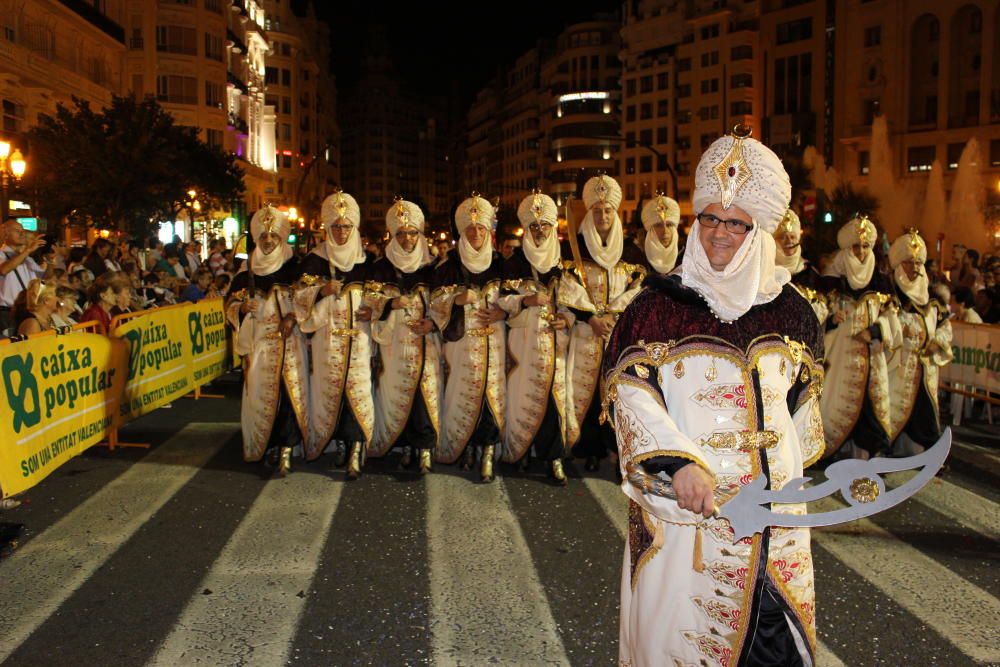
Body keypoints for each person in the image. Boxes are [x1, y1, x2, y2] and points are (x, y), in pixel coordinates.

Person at [602, 128, 825, 667]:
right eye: (708, 218)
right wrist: (678, 463)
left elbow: (802, 409)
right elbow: (628, 397)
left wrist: (785, 467)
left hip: (777, 530)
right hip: (689, 530)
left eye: (736, 222)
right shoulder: (654, 308)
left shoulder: (793, 311)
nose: (719, 233)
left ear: (760, 231)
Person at [558, 175, 647, 472]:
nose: (603, 216)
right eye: (597, 211)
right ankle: (587, 448)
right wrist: (590, 317)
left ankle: (615, 447)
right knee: (583, 391)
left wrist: (612, 315)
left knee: (616, 392)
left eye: (608, 210)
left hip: (617, 333)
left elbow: (637, 289)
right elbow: (567, 288)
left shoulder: (631, 251)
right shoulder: (575, 248)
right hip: (586, 332)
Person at [294, 191, 375, 479]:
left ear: (355, 228)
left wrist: (374, 311)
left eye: (346, 227)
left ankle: (356, 447)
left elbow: (382, 298)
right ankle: (338, 443)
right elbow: (299, 298)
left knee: (358, 392)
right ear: (327, 229)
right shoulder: (314, 262)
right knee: (332, 393)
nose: (341, 232)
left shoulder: (367, 262)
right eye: (336, 227)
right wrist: (320, 291)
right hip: (327, 343)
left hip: (359, 343)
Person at [225, 207, 308, 476]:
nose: (269, 241)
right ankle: (267, 444)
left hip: (290, 346)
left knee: (288, 395)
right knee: (262, 396)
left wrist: (293, 317)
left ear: (282, 238)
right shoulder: (246, 271)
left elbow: (309, 301)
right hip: (259, 348)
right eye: (263, 237)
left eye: (273, 235)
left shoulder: (296, 268)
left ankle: (287, 449)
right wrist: (241, 308)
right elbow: (229, 306)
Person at [430, 194, 507, 482]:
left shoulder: (502, 264)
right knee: (463, 395)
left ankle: (487, 450)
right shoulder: (447, 267)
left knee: (491, 397)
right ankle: (465, 447)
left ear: (489, 231)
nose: (476, 234)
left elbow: (516, 301)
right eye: (470, 229)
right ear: (461, 232)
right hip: (462, 347)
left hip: (495, 345)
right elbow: (435, 304)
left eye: (481, 229)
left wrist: (502, 313)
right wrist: (456, 299)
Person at [499, 192, 571, 484]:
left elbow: (575, 303)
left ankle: (553, 458)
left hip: (554, 344)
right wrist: (525, 301)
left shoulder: (564, 263)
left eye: (545, 226)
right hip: (523, 346)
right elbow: (500, 300)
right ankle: (521, 451)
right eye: (534, 227)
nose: (540, 232)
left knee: (554, 402)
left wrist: (566, 317)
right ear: (526, 230)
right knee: (521, 398)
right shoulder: (513, 261)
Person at [367, 199, 442, 473]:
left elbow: (444, 303)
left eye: (412, 233)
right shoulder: (381, 267)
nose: (407, 239)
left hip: (425, 344)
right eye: (401, 233)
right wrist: (389, 304)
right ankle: (406, 447)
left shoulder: (432, 267)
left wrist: (432, 323)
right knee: (399, 394)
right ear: (393, 236)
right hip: (395, 344)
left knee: (423, 396)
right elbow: (369, 300)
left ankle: (424, 449)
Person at [820, 216, 900, 460]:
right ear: (847, 249)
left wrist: (876, 331)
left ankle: (865, 456)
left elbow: (893, 320)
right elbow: (818, 317)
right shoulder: (832, 281)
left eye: (866, 246)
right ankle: (834, 452)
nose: (862, 252)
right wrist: (832, 319)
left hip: (870, 358)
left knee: (868, 407)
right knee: (836, 403)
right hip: (840, 358)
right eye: (857, 246)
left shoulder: (881, 281)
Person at [886, 230, 953, 456]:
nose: (914, 268)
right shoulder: (889, 294)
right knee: (893, 409)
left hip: (925, 369)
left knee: (924, 412)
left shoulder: (932, 298)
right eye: (908, 262)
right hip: (896, 367)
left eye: (917, 262)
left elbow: (945, 327)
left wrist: (937, 342)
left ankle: (928, 455)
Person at [773, 208, 829, 323]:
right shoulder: (766, 271)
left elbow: (822, 311)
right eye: (783, 237)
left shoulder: (810, 273)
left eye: (792, 237)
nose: (789, 241)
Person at [1, 218, 47, 336]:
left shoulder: (26, 258)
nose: (22, 234)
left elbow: (42, 279)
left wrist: (50, 261)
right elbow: (4, 269)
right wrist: (27, 251)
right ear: (5, 233)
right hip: (7, 313)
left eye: (22, 231)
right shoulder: (2, 254)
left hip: (26, 310)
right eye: (17, 231)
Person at [640, 193, 680, 277]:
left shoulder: (686, 260)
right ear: (650, 231)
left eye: (669, 225)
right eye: (658, 225)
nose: (665, 231)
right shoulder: (638, 260)